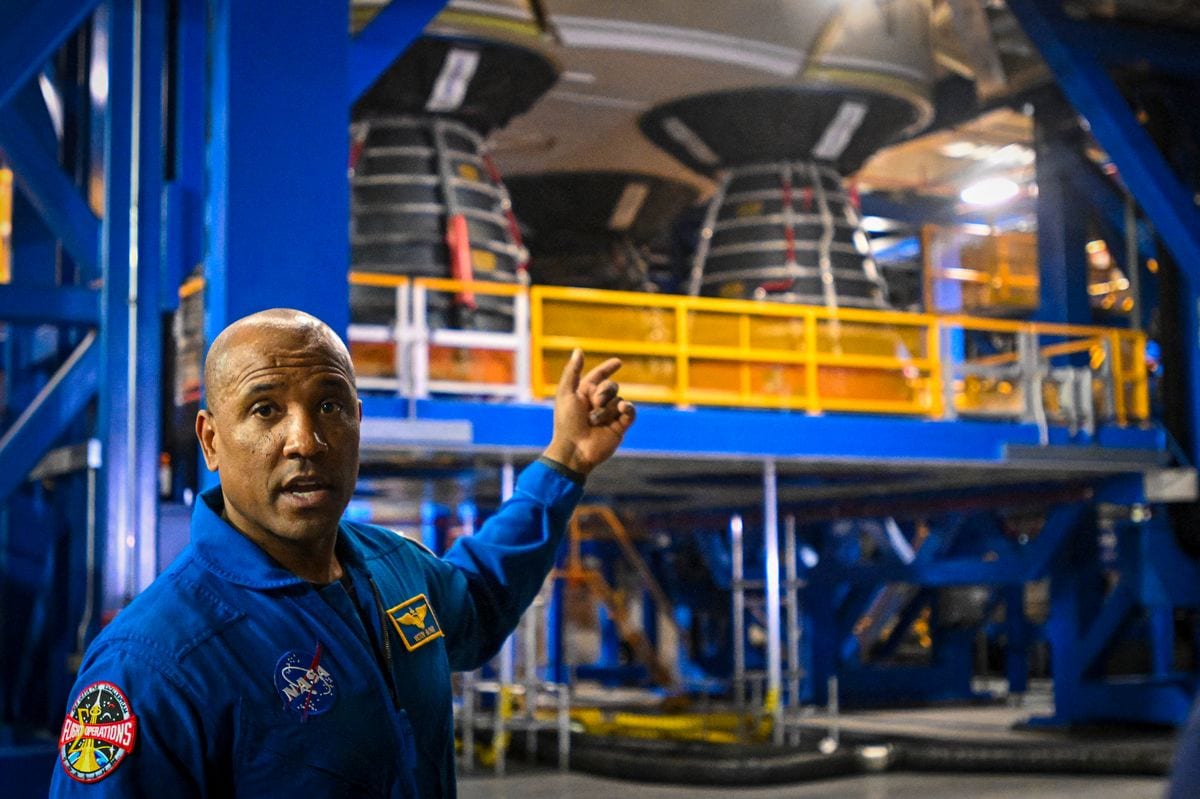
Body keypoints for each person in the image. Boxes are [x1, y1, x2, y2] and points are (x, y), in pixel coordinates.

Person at [50, 308, 635, 798]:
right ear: (210, 440)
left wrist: (565, 462)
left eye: (329, 405)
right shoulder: (150, 664)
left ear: (358, 421)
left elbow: (478, 599)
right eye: (265, 410)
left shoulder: (393, 568)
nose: (305, 440)